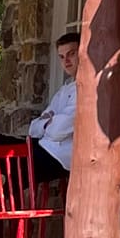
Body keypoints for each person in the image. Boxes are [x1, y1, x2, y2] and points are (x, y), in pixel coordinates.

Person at [26, 32, 80, 182]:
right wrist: (48, 123)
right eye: (62, 57)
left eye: (71, 54)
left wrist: (48, 122)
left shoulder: (85, 88)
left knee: (11, 163)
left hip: (62, 156)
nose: (66, 61)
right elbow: (33, 129)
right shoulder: (66, 88)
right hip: (45, 148)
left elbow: (59, 129)